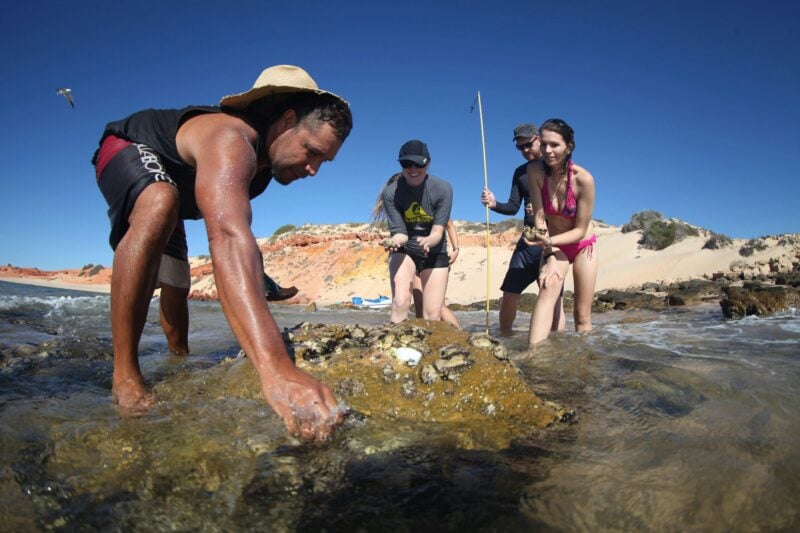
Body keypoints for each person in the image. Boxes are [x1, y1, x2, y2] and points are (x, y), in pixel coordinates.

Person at [92, 65, 353, 441]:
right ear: (287, 120)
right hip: (126, 148)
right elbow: (227, 238)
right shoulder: (233, 139)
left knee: (178, 280)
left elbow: (239, 230)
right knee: (159, 201)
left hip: (174, 192)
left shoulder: (261, 171)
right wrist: (277, 370)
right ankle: (125, 375)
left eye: (323, 161)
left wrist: (263, 280)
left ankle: (177, 358)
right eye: (311, 152)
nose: (313, 169)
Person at [481, 124, 564, 334]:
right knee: (509, 293)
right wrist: (494, 204)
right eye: (521, 148)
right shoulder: (520, 172)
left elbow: (568, 204)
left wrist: (543, 208)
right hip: (526, 243)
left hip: (551, 242)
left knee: (553, 297)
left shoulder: (556, 167)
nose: (525, 150)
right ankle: (504, 339)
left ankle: (557, 344)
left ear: (539, 139)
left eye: (528, 145)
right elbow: (512, 207)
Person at [524, 118, 598, 346]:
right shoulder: (534, 171)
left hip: (583, 244)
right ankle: (533, 354)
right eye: (544, 144)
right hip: (553, 244)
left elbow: (579, 230)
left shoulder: (583, 180)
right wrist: (549, 254)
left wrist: (548, 241)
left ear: (569, 146)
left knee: (582, 314)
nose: (547, 150)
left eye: (555, 145)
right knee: (549, 286)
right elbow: (539, 216)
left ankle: (583, 363)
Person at [380, 140, 453, 323]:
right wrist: (394, 240)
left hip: (434, 251)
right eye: (406, 163)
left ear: (427, 163)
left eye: (417, 163)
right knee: (401, 300)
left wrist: (429, 240)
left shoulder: (443, 189)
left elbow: (438, 231)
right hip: (406, 249)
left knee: (432, 314)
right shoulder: (391, 193)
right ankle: (392, 347)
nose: (412, 168)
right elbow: (401, 233)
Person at [373, 175, 460, 328]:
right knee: (412, 300)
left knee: (436, 307)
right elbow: (399, 232)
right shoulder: (394, 203)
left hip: (432, 254)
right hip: (408, 252)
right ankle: (418, 334)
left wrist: (455, 248)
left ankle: (460, 335)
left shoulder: (430, 201)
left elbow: (449, 225)